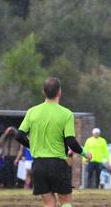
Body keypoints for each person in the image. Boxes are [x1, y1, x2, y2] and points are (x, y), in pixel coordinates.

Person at [14, 77, 92, 207]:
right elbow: (71, 141)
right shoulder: (66, 114)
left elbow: (19, 135)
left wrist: (32, 145)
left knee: (49, 204)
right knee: (65, 202)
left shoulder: (32, 112)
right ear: (59, 92)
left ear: (43, 92)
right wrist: (85, 153)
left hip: (39, 165)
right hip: (57, 165)